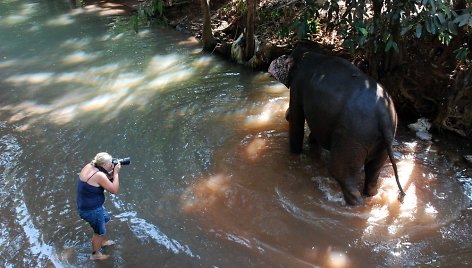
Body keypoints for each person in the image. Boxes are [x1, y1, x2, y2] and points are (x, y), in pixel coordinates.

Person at [77, 152, 121, 260]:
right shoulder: (99, 175)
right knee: (98, 232)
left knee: (105, 220)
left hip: (87, 205)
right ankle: (95, 255)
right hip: (91, 210)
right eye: (110, 164)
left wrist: (110, 174)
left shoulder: (90, 166)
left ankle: (103, 242)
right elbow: (114, 190)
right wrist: (115, 173)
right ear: (104, 165)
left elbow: (101, 180)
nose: (112, 165)